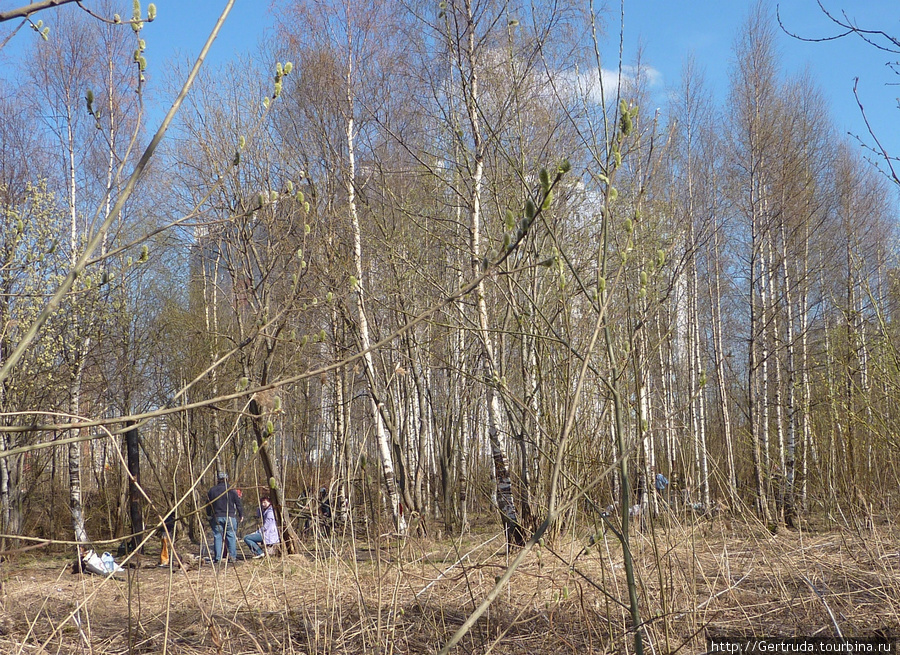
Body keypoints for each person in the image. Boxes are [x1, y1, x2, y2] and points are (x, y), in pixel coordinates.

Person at [206, 471, 244, 564]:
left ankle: (218, 558)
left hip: (217, 516)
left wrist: (209, 514)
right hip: (230, 516)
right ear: (227, 479)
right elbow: (238, 504)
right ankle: (232, 557)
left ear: (218, 480)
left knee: (217, 537)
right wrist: (241, 514)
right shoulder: (231, 490)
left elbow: (208, 504)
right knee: (231, 536)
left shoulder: (212, 490)